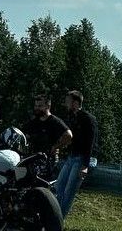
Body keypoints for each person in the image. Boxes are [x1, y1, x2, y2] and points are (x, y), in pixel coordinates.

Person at [55, 90, 98, 218]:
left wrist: (85, 166)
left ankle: (58, 223)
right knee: (59, 187)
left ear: (75, 102)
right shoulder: (71, 118)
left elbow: (90, 143)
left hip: (83, 158)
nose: (65, 103)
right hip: (72, 157)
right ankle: (53, 219)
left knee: (68, 191)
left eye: (68, 101)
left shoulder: (88, 119)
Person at [21, 94, 72, 173]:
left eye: (40, 106)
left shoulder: (55, 121)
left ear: (48, 106)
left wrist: (56, 147)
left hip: (48, 161)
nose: (37, 108)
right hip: (32, 160)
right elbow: (24, 137)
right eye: (36, 106)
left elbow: (69, 135)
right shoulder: (33, 122)